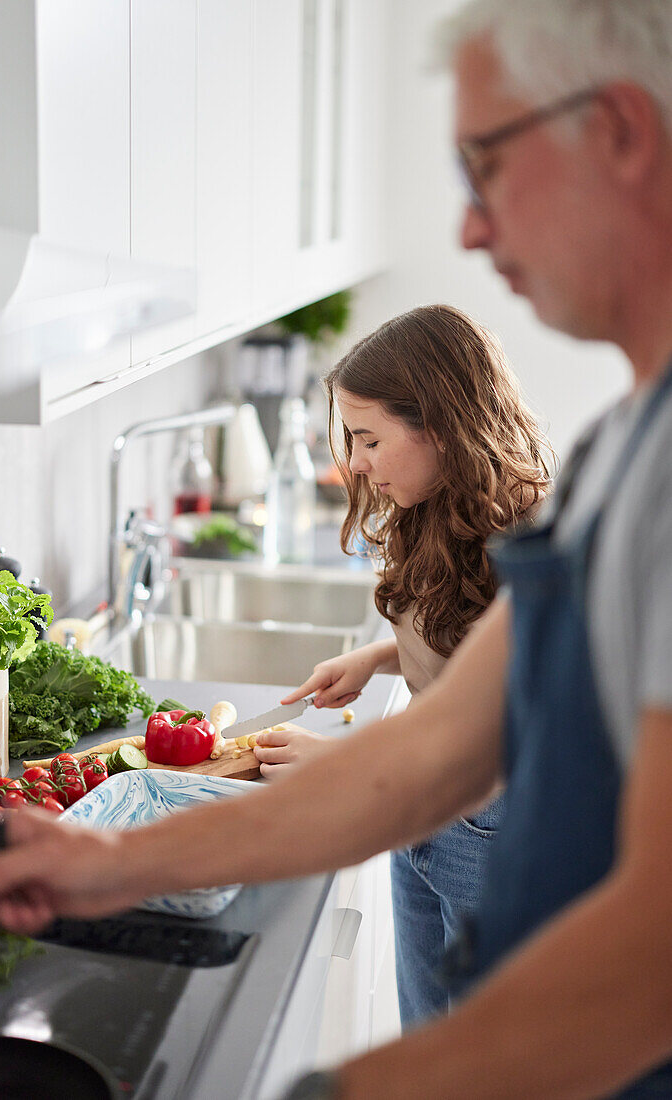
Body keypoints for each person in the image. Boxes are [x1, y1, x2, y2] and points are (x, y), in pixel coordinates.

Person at [0, 1, 672, 1095]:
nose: (470, 229)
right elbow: (435, 756)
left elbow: (647, 955)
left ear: (617, 129)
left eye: (482, 164)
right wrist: (100, 860)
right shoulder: (622, 452)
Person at [253, 303, 552, 1028]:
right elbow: (467, 647)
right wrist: (381, 656)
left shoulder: (524, 544)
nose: (353, 462)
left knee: (471, 1051)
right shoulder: (434, 506)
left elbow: (505, 718)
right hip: (426, 813)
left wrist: (338, 764)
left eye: (368, 439)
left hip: (487, 824)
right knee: (426, 1027)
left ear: (440, 428)